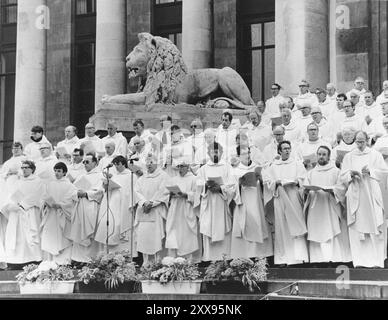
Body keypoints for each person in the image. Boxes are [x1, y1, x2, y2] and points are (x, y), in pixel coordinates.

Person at [340, 131, 388, 267]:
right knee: (357, 230)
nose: (360, 144)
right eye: (357, 142)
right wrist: (350, 174)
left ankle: (376, 262)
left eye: (362, 141)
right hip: (356, 193)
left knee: (375, 226)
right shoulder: (349, 156)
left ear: (367, 140)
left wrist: (371, 172)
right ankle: (360, 261)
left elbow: (384, 172)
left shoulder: (375, 155)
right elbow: (342, 176)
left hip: (371, 193)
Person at [262, 141, 308, 265]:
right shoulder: (273, 166)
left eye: (289, 148)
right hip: (280, 197)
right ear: (279, 151)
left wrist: (297, 181)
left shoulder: (297, 164)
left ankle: (299, 258)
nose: (287, 151)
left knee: (295, 223)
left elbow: (303, 178)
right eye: (284, 149)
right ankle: (283, 258)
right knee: (282, 226)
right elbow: (267, 181)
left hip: (293, 196)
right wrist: (275, 183)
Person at [303, 146, 352, 263]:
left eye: (324, 154)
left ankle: (332, 259)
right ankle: (317, 260)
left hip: (330, 206)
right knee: (316, 232)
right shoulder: (311, 173)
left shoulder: (336, 171)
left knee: (331, 231)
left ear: (329, 156)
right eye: (319, 154)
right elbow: (304, 188)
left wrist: (331, 190)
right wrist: (307, 190)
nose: (321, 156)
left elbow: (341, 188)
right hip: (315, 207)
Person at [231, 147, 273, 259]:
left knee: (258, 223)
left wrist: (261, 179)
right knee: (244, 225)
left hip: (257, 201)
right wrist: (239, 184)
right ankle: (245, 257)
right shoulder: (235, 170)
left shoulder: (258, 168)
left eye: (248, 153)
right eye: (243, 153)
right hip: (243, 202)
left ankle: (261, 255)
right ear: (238, 155)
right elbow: (229, 189)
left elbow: (268, 185)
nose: (247, 155)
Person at [197, 142, 235, 261]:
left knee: (223, 228)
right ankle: (209, 259)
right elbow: (198, 185)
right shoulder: (203, 169)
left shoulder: (227, 167)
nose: (215, 153)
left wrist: (220, 188)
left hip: (221, 202)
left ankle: (225, 258)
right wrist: (206, 186)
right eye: (212, 151)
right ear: (208, 153)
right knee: (208, 226)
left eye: (217, 151)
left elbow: (232, 186)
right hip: (208, 202)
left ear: (222, 152)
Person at [0, 160, 43, 264]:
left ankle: (33, 259)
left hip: (31, 212)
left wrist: (24, 204)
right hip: (18, 212)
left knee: (31, 236)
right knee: (19, 237)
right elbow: (11, 195)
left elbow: (38, 196)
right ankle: (18, 260)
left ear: (32, 169)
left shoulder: (38, 181)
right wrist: (12, 204)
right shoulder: (18, 182)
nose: (24, 170)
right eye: (22, 168)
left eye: (26, 167)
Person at [94, 156, 137, 256]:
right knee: (110, 223)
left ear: (123, 164)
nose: (116, 166)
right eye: (115, 164)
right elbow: (108, 188)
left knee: (120, 224)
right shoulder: (114, 175)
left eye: (118, 164)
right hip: (113, 203)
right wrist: (107, 184)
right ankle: (111, 253)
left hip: (124, 203)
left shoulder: (130, 175)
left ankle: (125, 254)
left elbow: (133, 190)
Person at [134, 154, 170, 264]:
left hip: (156, 211)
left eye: (151, 162)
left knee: (156, 239)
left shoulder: (163, 176)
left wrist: (152, 203)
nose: (148, 164)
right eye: (147, 162)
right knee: (143, 238)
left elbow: (163, 191)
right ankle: (145, 262)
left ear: (156, 163)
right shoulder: (142, 178)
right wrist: (144, 202)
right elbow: (136, 191)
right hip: (143, 211)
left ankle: (157, 262)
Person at [69, 154, 104, 263]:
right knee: (79, 231)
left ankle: (92, 259)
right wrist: (77, 193)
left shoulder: (100, 176)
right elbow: (71, 190)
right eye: (83, 162)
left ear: (95, 163)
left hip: (92, 206)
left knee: (91, 232)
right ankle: (79, 259)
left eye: (87, 162)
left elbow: (101, 192)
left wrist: (86, 193)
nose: (85, 164)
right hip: (80, 206)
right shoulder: (81, 175)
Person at [40, 162, 77, 265]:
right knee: (50, 236)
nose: (56, 173)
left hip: (62, 214)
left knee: (63, 237)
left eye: (59, 171)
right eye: (55, 171)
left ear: (64, 172)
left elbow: (71, 199)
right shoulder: (50, 184)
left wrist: (61, 204)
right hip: (51, 214)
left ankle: (63, 262)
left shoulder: (69, 185)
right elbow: (44, 197)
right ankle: (50, 262)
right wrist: (47, 203)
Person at [165, 160, 201, 262]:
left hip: (187, 208)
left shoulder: (194, 179)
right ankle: (174, 260)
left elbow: (197, 195)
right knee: (173, 233)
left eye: (182, 166)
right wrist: (171, 194)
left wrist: (186, 195)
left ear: (188, 167)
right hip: (175, 209)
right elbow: (166, 194)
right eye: (179, 166)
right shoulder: (173, 179)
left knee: (187, 234)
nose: (180, 169)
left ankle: (189, 260)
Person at [0, 142, 26, 208]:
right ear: (12, 150)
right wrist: (7, 173)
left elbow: (29, 170)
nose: (15, 150)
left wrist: (16, 172)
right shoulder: (8, 162)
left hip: (19, 182)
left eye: (17, 148)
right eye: (14, 148)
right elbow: (2, 173)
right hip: (8, 185)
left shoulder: (25, 159)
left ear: (22, 150)